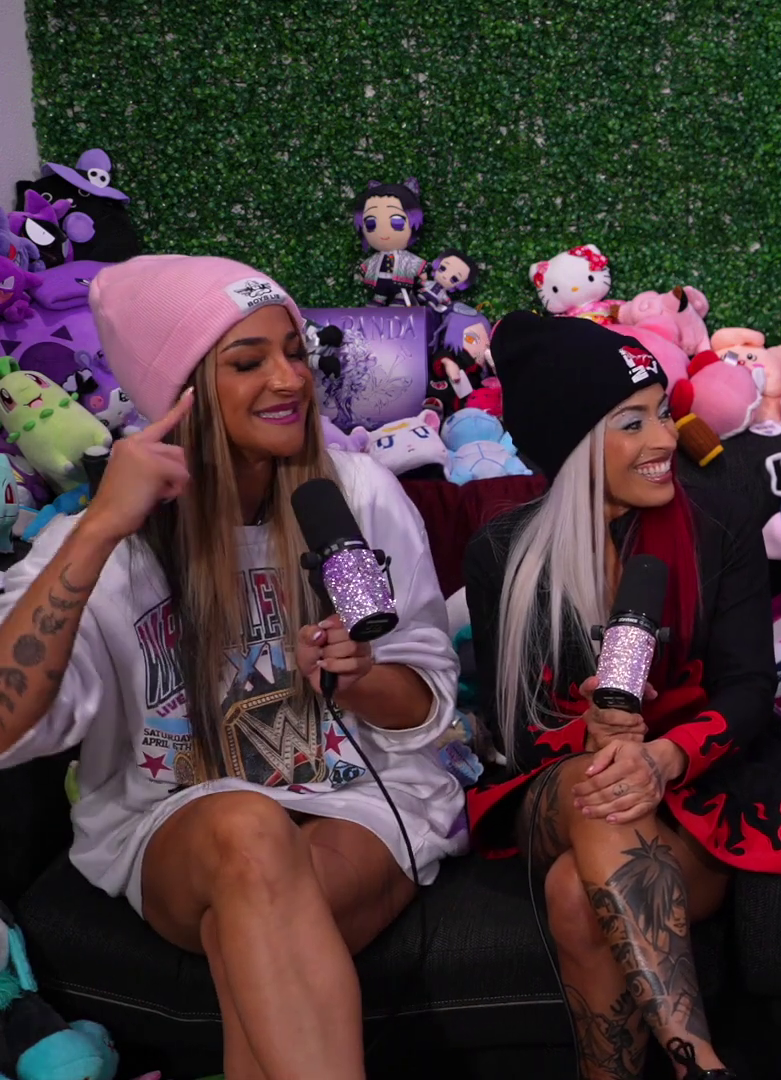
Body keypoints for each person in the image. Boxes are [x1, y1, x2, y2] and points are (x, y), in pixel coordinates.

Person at [0, 255, 467, 1080]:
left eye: (294, 351)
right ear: (177, 395)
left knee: (253, 935)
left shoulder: (357, 493)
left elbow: (424, 707)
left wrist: (361, 675)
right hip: (177, 819)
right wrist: (100, 527)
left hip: (358, 802)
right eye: (248, 362)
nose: (290, 379)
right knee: (249, 834)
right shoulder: (105, 540)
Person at [464, 313, 781, 1080]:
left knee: (576, 894)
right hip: (556, 784)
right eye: (632, 422)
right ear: (573, 445)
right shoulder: (502, 552)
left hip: (699, 782)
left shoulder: (721, 522)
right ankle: (702, 1064)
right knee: (600, 787)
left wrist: (661, 755)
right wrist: (596, 735)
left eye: (662, 412)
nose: (664, 439)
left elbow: (749, 687)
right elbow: (513, 732)